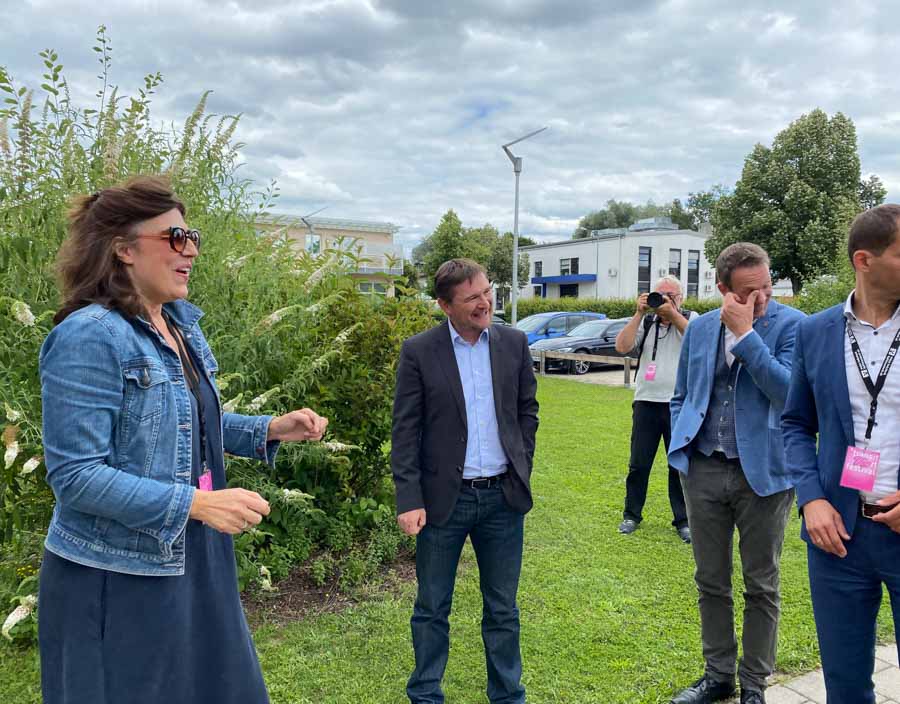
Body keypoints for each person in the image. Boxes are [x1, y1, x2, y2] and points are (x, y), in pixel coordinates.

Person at [37, 176, 328, 704]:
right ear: (123, 249)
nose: (190, 249)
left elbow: (180, 424)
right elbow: (76, 477)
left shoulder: (178, 325)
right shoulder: (89, 334)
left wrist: (267, 428)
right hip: (119, 573)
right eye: (174, 237)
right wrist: (197, 503)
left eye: (192, 236)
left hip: (193, 555)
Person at [391, 258, 539, 704]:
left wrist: (522, 463)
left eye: (487, 291)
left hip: (503, 499)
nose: (484, 302)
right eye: (472, 297)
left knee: (503, 609)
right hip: (443, 502)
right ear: (444, 305)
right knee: (432, 607)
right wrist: (409, 498)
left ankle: (508, 695)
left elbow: (527, 411)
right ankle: (425, 693)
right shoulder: (419, 351)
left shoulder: (514, 343)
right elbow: (405, 430)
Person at [667, 243, 805, 704]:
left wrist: (746, 335)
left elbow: (789, 394)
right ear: (722, 288)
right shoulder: (701, 327)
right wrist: (683, 442)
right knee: (710, 580)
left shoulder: (794, 326)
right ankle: (718, 676)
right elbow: (682, 394)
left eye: (767, 286)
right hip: (703, 468)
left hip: (764, 473)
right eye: (748, 291)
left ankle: (754, 684)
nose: (761, 298)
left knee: (761, 584)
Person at [782, 204, 900, 703]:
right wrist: (811, 499)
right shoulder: (815, 331)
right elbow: (795, 423)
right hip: (838, 536)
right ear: (864, 260)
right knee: (846, 684)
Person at [614, 275, 698, 543]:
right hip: (646, 402)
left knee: (678, 466)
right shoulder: (647, 322)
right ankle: (631, 515)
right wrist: (639, 313)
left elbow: (699, 342)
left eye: (670, 295)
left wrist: (673, 314)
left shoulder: (691, 319)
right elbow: (622, 347)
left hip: (679, 405)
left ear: (681, 298)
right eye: (659, 295)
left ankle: (683, 520)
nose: (663, 300)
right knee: (639, 463)